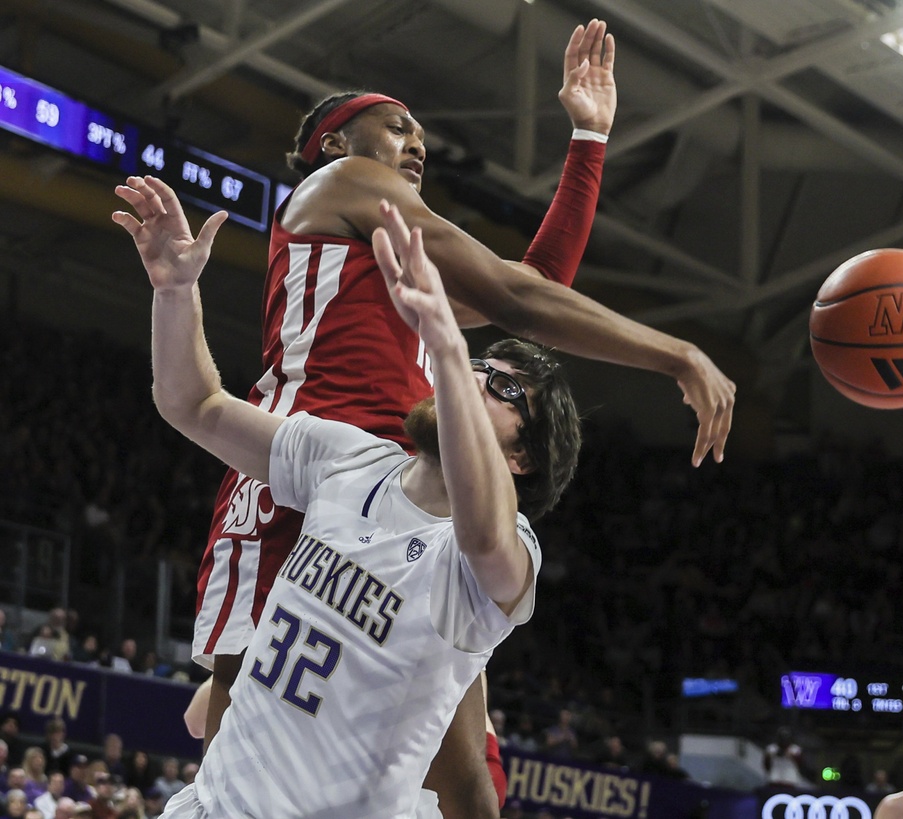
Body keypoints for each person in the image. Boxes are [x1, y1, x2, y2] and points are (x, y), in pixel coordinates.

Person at [116, 16, 734, 818]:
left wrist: (587, 138)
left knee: (471, 774)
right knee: (251, 748)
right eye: (398, 125)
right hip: (299, 483)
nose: (416, 146)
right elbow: (523, 299)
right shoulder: (338, 189)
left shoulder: (406, 285)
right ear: (335, 144)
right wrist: (676, 353)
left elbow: (532, 282)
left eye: (422, 139)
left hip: (411, 502)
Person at [117, 168, 580, 817]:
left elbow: (484, 533)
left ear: (522, 456)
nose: (476, 379)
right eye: (479, 366)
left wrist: (448, 348)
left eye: (502, 390)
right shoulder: (349, 458)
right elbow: (194, 406)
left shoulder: (502, 556)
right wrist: (175, 292)